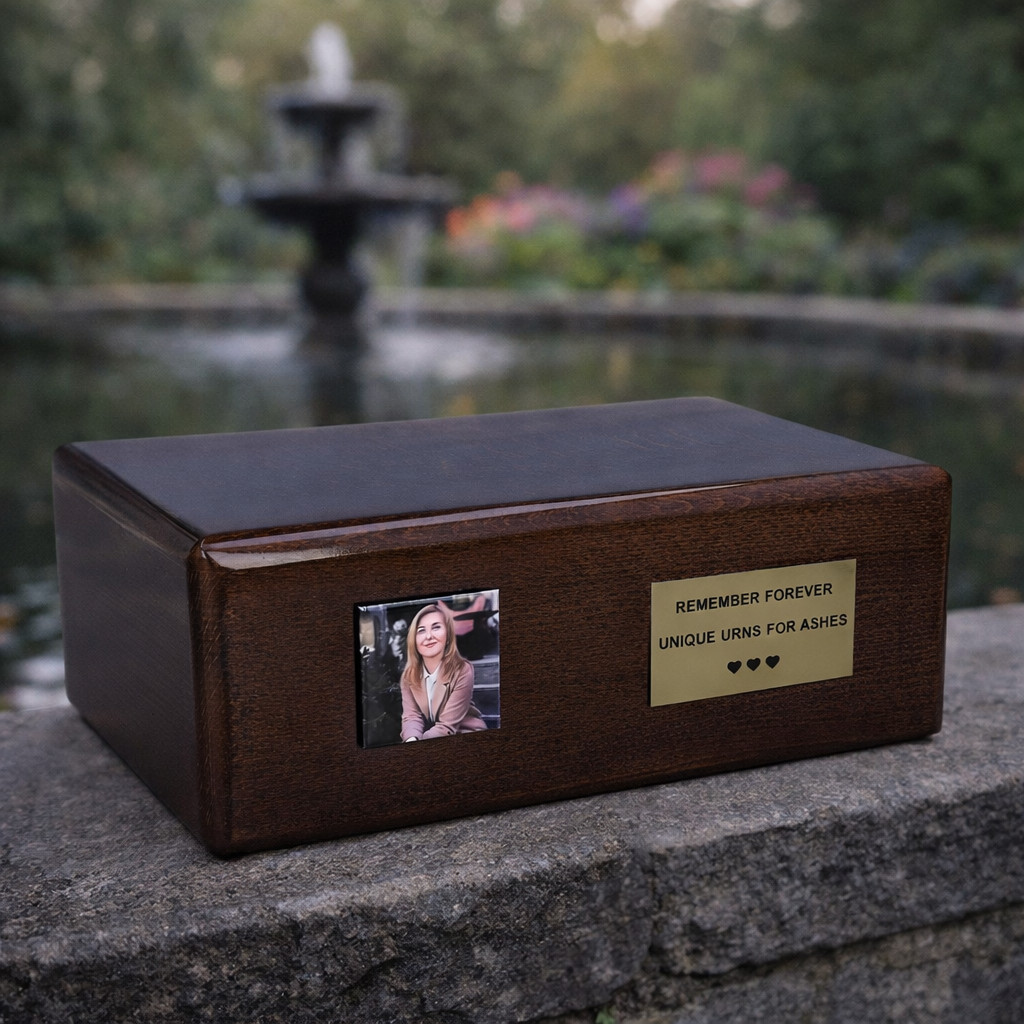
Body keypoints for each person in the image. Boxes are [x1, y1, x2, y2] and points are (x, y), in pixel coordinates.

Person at [400, 602, 486, 741]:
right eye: (421, 630)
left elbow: (447, 726)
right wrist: (411, 740)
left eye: (436, 627)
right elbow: (411, 717)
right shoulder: (408, 676)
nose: (428, 636)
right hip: (431, 737)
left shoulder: (462, 669)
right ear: (414, 640)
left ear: (448, 636)